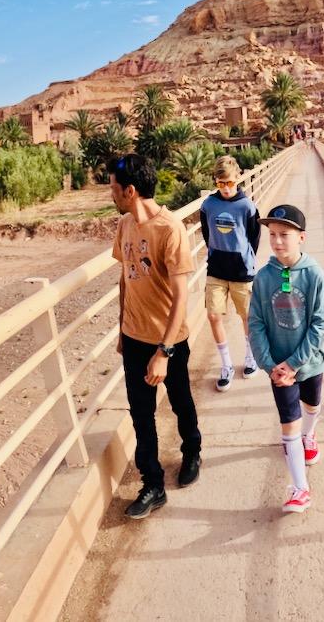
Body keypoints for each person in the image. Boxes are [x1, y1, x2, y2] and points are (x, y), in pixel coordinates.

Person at [109, 153, 202, 519]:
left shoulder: (170, 229)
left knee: (180, 401)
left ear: (130, 190)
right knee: (141, 415)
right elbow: (125, 279)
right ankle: (153, 484)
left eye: (114, 189)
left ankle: (192, 450)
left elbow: (182, 296)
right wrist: (121, 329)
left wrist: (163, 351)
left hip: (169, 341)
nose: (111, 195)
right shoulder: (125, 226)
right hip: (134, 338)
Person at [248, 204, 324, 514]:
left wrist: (295, 363)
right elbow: (255, 322)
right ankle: (300, 488)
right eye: (272, 235)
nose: (278, 241)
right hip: (278, 370)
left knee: (312, 406)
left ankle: (311, 435)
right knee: (288, 426)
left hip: (308, 363)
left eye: (285, 235)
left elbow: (319, 325)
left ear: (302, 238)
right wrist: (270, 365)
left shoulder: (314, 276)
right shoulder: (264, 277)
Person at [200, 154, 261, 392]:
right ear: (215, 181)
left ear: (238, 179)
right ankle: (225, 364)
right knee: (214, 316)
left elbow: (254, 237)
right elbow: (207, 233)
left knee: (246, 317)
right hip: (216, 268)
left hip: (241, 270)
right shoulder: (208, 205)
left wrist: (244, 258)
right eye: (220, 183)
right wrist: (217, 252)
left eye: (230, 183)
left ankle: (250, 357)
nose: (226, 188)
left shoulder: (246, 206)